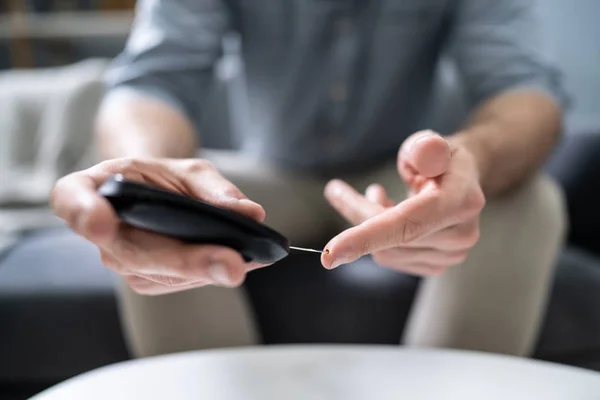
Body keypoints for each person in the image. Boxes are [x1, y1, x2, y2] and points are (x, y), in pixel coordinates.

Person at [51, 0, 567, 358]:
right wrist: (150, 173)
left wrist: (470, 157)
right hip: (268, 176)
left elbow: (522, 86)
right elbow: (156, 76)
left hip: (398, 177)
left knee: (527, 199)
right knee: (169, 210)